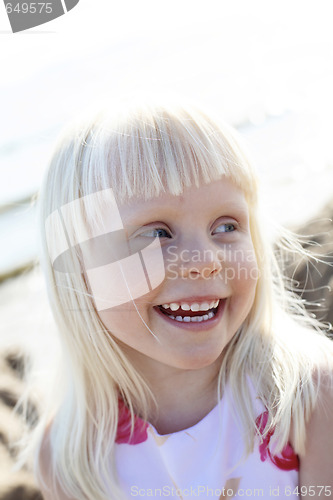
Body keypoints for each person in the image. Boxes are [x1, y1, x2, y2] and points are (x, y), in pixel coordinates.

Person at [32, 98, 333, 499]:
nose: (205, 261)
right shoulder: (68, 458)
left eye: (226, 225)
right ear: (78, 269)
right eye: (158, 233)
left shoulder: (308, 399)